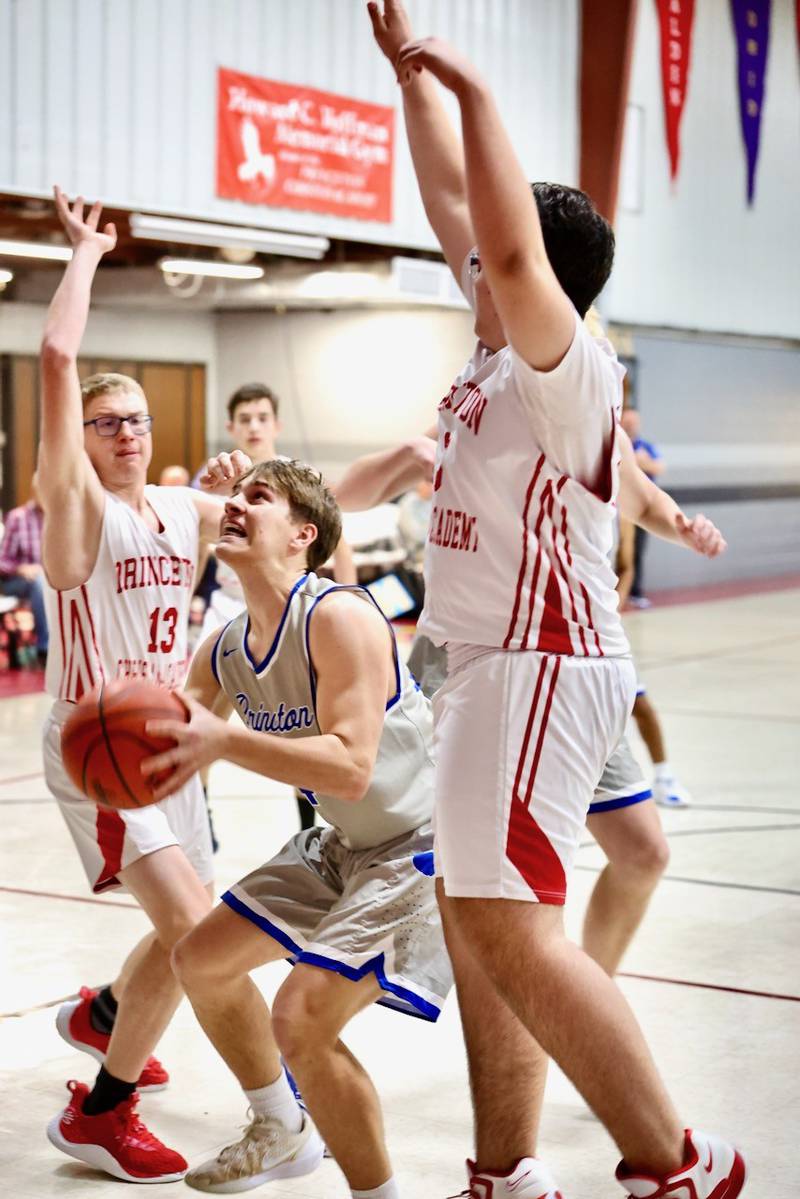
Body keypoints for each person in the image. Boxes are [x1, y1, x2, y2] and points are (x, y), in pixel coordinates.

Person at [365, 6, 746, 1197]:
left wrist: (478, 89)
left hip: (538, 664)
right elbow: (445, 194)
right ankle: (504, 1169)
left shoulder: (560, 355)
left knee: (511, 927)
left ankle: (673, 1164)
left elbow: (508, 244)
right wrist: (410, 74)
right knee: (484, 930)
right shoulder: (488, 344)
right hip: (487, 667)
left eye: (490, 244)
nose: (470, 248)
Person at [138, 456, 451, 1199]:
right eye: (234, 498)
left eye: (259, 497)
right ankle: (281, 1125)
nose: (237, 505)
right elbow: (177, 746)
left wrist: (223, 742)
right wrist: (123, 764)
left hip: (421, 846)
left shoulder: (339, 613)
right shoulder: (223, 648)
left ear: (303, 534)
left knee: (302, 1018)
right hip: (343, 844)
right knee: (201, 958)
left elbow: (348, 765)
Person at [40, 187, 224, 1184]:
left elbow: (300, 506)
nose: (125, 433)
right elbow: (61, 361)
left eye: (137, 420)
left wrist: (416, 459)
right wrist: (85, 252)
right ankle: (104, 1109)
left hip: (174, 738)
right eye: (107, 422)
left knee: (191, 919)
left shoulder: (179, 509)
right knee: (196, 932)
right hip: (101, 743)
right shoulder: (79, 511)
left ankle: (108, 1012)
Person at [195, 381, 357, 832]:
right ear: (231, 426)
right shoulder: (218, 480)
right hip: (229, 604)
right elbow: (196, 546)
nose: (253, 426)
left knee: (299, 722)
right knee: (205, 716)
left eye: (261, 418)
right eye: (244, 419)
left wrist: (350, 596)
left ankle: (309, 824)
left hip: (283, 604)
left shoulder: (296, 476)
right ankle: (199, 814)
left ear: (276, 424)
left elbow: (340, 541)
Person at [616, 516, 694, 808]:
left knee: (640, 703)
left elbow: (626, 567)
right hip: (555, 633)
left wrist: (612, 605)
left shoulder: (619, 511)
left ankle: (664, 777)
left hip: (603, 625)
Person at [619, 408, 665, 607]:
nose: (630, 424)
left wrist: (639, 461)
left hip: (641, 507)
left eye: (633, 421)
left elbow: (658, 467)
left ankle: (634, 592)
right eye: (626, 421)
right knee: (619, 552)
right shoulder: (616, 444)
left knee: (637, 551)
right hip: (619, 508)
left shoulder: (645, 446)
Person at [0, 475, 48, 663]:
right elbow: (2, 561)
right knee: (39, 582)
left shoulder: (59, 517)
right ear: (34, 491)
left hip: (50, 580)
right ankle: (45, 648)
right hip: (16, 582)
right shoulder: (17, 518)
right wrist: (21, 569)